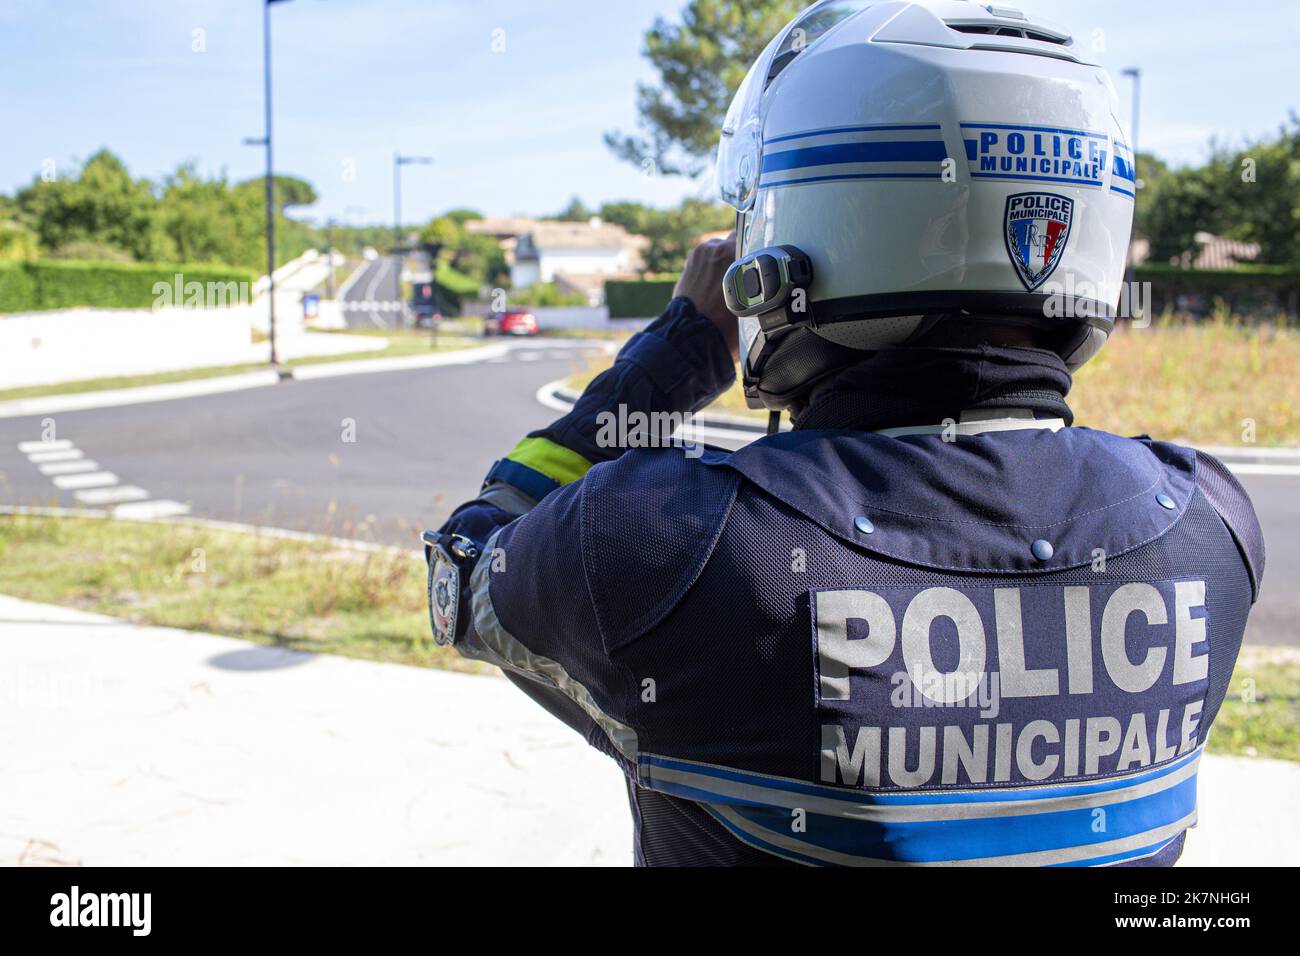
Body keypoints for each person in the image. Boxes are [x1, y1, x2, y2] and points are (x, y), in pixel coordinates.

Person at [424, 0, 1264, 866]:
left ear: (802, 230)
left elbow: (459, 570)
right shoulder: (1211, 527)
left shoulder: (662, 539)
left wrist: (669, 360)